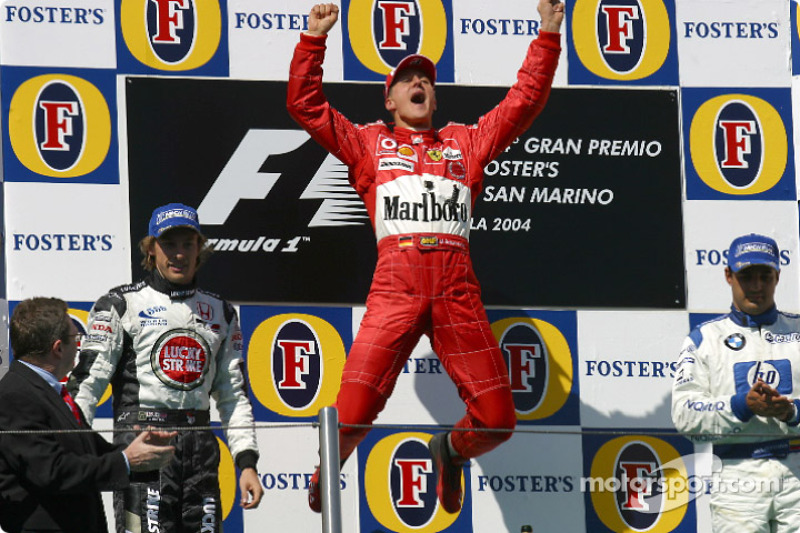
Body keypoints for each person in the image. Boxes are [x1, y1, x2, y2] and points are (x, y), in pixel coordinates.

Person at [287, 1, 564, 514]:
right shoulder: (369, 143)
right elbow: (306, 105)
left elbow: (524, 102)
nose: (420, 85)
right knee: (350, 413)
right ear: (389, 98)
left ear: (433, 97)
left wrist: (547, 36)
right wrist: (313, 41)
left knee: (499, 419)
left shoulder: (465, 142)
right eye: (409, 80)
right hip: (396, 283)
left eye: (427, 81)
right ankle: (328, 469)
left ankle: (449, 451)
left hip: (456, 287)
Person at [67, 203, 264, 533]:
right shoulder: (120, 304)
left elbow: (233, 396)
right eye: (169, 244)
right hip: (142, 443)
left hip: (200, 451)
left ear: (200, 249)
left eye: (187, 244)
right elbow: (87, 383)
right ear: (150, 249)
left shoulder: (221, 312)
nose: (179, 255)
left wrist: (247, 463)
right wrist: (72, 452)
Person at [0, 297, 175, 533]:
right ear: (58, 348)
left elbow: (93, 454)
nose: (79, 345)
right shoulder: (15, 395)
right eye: (76, 338)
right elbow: (52, 472)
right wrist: (126, 460)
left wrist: (144, 455)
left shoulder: (50, 392)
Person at [672, 233, 800, 533]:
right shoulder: (704, 340)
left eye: (765, 276)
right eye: (747, 276)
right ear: (728, 275)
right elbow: (684, 415)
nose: (757, 286)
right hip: (736, 479)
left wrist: (790, 412)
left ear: (777, 277)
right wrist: (742, 405)